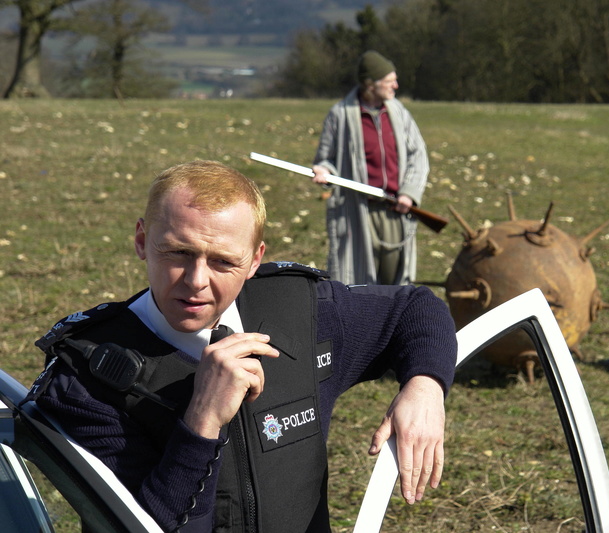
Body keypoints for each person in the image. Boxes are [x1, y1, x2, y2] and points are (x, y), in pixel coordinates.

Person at [27, 160, 457, 532]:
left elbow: (413, 310)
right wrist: (201, 420)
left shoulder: (301, 312)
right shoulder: (87, 376)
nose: (196, 281)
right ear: (142, 241)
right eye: (178, 252)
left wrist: (425, 387)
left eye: (223, 262)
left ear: (255, 259)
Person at [312, 50, 429, 285]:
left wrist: (408, 193)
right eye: (389, 81)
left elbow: (419, 154)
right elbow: (326, 158)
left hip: (396, 209)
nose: (396, 85)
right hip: (357, 211)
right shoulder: (340, 115)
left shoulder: (399, 112)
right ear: (370, 85)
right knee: (356, 280)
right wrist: (324, 171)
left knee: (395, 281)